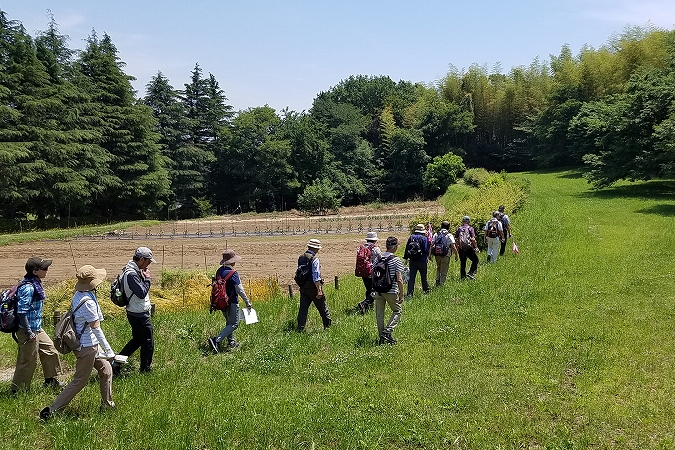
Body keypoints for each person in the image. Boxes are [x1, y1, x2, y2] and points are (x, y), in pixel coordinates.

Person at [40, 265, 116, 420]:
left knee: (106, 370)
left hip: (89, 345)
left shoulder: (79, 294)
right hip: (86, 347)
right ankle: (52, 411)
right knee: (80, 381)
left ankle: (107, 404)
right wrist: (109, 350)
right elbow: (96, 328)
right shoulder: (87, 302)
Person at [10, 257, 64, 394]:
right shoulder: (28, 287)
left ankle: (50, 381)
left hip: (37, 328)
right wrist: (29, 332)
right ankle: (18, 391)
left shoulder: (36, 283)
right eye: (44, 268)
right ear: (35, 271)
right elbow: (22, 312)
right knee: (28, 360)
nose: (47, 270)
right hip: (27, 330)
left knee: (50, 351)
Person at [114, 247, 155, 374]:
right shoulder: (131, 274)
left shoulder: (130, 270)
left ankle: (116, 363)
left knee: (137, 340)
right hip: (139, 313)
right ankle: (145, 370)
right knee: (148, 343)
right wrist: (147, 278)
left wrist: (142, 277)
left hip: (134, 311)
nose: (149, 264)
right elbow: (141, 293)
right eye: (148, 261)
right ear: (141, 259)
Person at [208, 249, 252, 353]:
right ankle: (216, 340)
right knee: (234, 324)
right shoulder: (233, 273)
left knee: (229, 322)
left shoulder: (219, 271)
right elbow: (240, 290)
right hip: (232, 301)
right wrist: (247, 302)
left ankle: (231, 342)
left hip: (221, 301)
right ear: (232, 261)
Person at [296, 239, 332, 332]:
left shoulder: (301, 257)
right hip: (313, 287)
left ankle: (300, 329)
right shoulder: (314, 259)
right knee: (323, 308)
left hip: (303, 287)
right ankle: (328, 328)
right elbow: (316, 276)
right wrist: (319, 290)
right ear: (315, 248)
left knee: (303, 310)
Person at [374, 236, 405, 345]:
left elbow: (373, 273)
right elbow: (399, 279)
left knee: (379, 314)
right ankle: (387, 331)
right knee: (397, 311)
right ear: (395, 247)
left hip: (378, 290)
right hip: (391, 290)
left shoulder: (378, 258)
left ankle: (381, 338)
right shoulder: (396, 260)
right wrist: (402, 294)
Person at [356, 231, 382, 314]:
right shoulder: (375, 248)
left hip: (363, 272)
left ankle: (367, 307)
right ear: (375, 240)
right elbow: (381, 259)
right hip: (372, 272)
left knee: (368, 289)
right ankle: (365, 303)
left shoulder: (360, 248)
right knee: (375, 290)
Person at [403, 224, 431, 296]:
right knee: (423, 277)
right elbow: (426, 250)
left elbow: (407, 248)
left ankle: (409, 293)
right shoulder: (424, 238)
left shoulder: (411, 237)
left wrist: (406, 258)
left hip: (412, 261)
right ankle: (426, 291)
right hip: (422, 261)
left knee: (411, 278)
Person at [430, 221, 458, 286]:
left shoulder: (436, 234)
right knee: (444, 270)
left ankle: (437, 281)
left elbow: (432, 244)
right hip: (446, 255)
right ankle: (441, 285)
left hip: (437, 254)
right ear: (448, 227)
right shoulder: (449, 235)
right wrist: (456, 255)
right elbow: (453, 246)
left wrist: (430, 254)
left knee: (439, 267)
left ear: (441, 226)